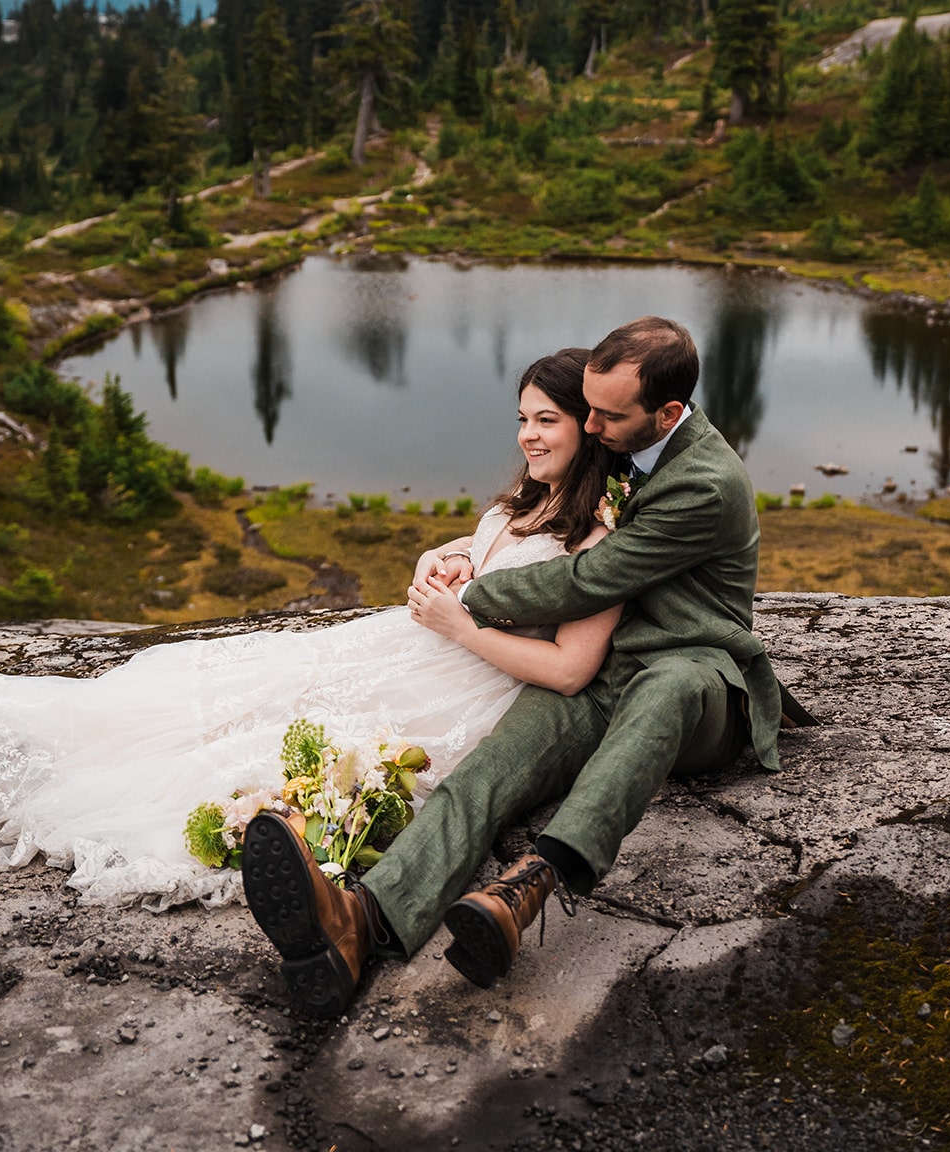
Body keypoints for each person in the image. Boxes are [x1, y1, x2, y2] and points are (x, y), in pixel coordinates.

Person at [242, 315, 814, 1018]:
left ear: (665, 413)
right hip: (607, 671)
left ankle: (528, 887)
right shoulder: (619, 446)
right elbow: (545, 513)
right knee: (489, 771)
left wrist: (468, 597)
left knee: (666, 687)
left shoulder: (704, 483)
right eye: (588, 409)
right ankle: (359, 925)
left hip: (700, 676)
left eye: (606, 414)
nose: (592, 425)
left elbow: (581, 581)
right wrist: (459, 550)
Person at [0, 349, 619, 912]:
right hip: (412, 644)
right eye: (522, 417)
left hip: (472, 683)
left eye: (546, 420)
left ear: (589, 427)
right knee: (253, 678)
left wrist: (457, 625)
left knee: (288, 741)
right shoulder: (527, 496)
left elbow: (569, 670)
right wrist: (443, 557)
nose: (527, 434)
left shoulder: (602, 538)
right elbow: (481, 552)